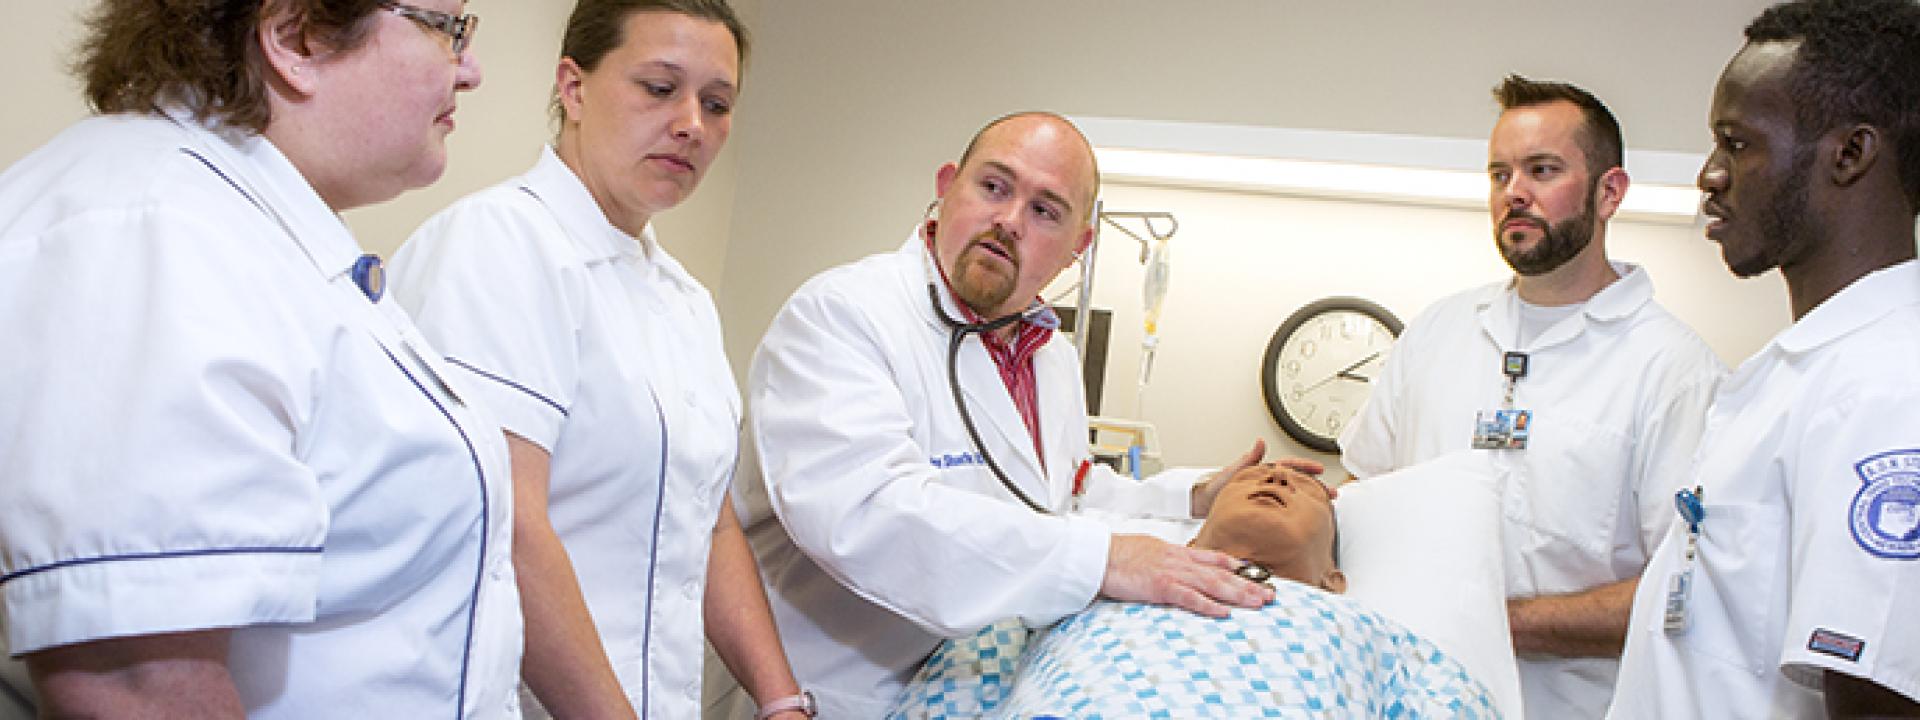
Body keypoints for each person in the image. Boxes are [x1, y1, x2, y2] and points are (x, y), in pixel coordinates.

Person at [0, 1, 520, 718]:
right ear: (295, 37)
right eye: (448, 29)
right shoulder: (156, 234)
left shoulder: (244, 226)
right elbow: (137, 689)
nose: (471, 70)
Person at [727, 112, 1309, 716]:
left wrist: (1187, 499)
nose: (1008, 221)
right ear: (947, 186)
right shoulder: (843, 315)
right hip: (834, 693)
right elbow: (868, 515)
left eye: (1045, 211)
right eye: (993, 187)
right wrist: (1105, 560)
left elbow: (1060, 491)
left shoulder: (1048, 354)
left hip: (973, 693)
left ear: (1076, 250)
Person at [388, 2, 803, 719]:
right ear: (573, 88)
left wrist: (781, 701)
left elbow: (710, 519)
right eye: (658, 87)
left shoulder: (683, 299)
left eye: (716, 103)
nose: (691, 125)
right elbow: (510, 524)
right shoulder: (500, 245)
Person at [1337, 75, 1727, 718]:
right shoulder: (1440, 330)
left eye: (1542, 170)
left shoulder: (1673, 370)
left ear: (1610, 192)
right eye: (1499, 174)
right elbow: (1360, 497)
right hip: (1402, 696)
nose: (1513, 193)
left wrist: (1490, 621)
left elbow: (1685, 591)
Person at [1609, 0, 1920, 716]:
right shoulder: (1802, 373)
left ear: (1850, 153)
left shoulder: (1883, 387)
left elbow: (1876, 702)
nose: (1710, 176)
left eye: (1737, 144)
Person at [887, 463, 1499, 718]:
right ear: (1197, 530)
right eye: (1259, 475)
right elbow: (959, 683)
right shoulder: (1084, 582)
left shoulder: (1373, 634)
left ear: (1333, 581)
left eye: (1304, 488)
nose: (1279, 478)